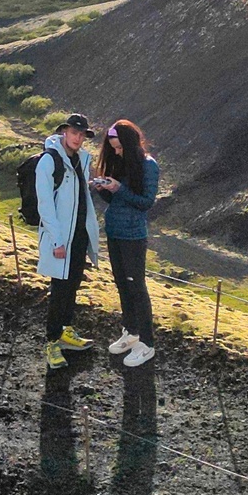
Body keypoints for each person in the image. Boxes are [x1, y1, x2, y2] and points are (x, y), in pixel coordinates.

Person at [35, 113, 105, 369]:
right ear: (64, 131)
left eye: (82, 134)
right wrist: (57, 241)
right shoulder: (49, 161)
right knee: (60, 289)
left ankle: (65, 331)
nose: (78, 138)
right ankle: (52, 342)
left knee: (73, 284)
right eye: (74, 132)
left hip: (78, 236)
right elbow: (45, 205)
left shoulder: (81, 159)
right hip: (61, 237)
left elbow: (76, 198)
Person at [91, 118, 161, 368]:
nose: (117, 152)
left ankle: (147, 343)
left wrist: (119, 188)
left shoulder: (148, 166)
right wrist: (104, 189)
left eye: (120, 147)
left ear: (130, 144)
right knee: (122, 284)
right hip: (114, 232)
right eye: (113, 148)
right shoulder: (120, 162)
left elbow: (146, 203)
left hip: (133, 236)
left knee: (136, 287)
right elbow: (117, 201)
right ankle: (131, 332)